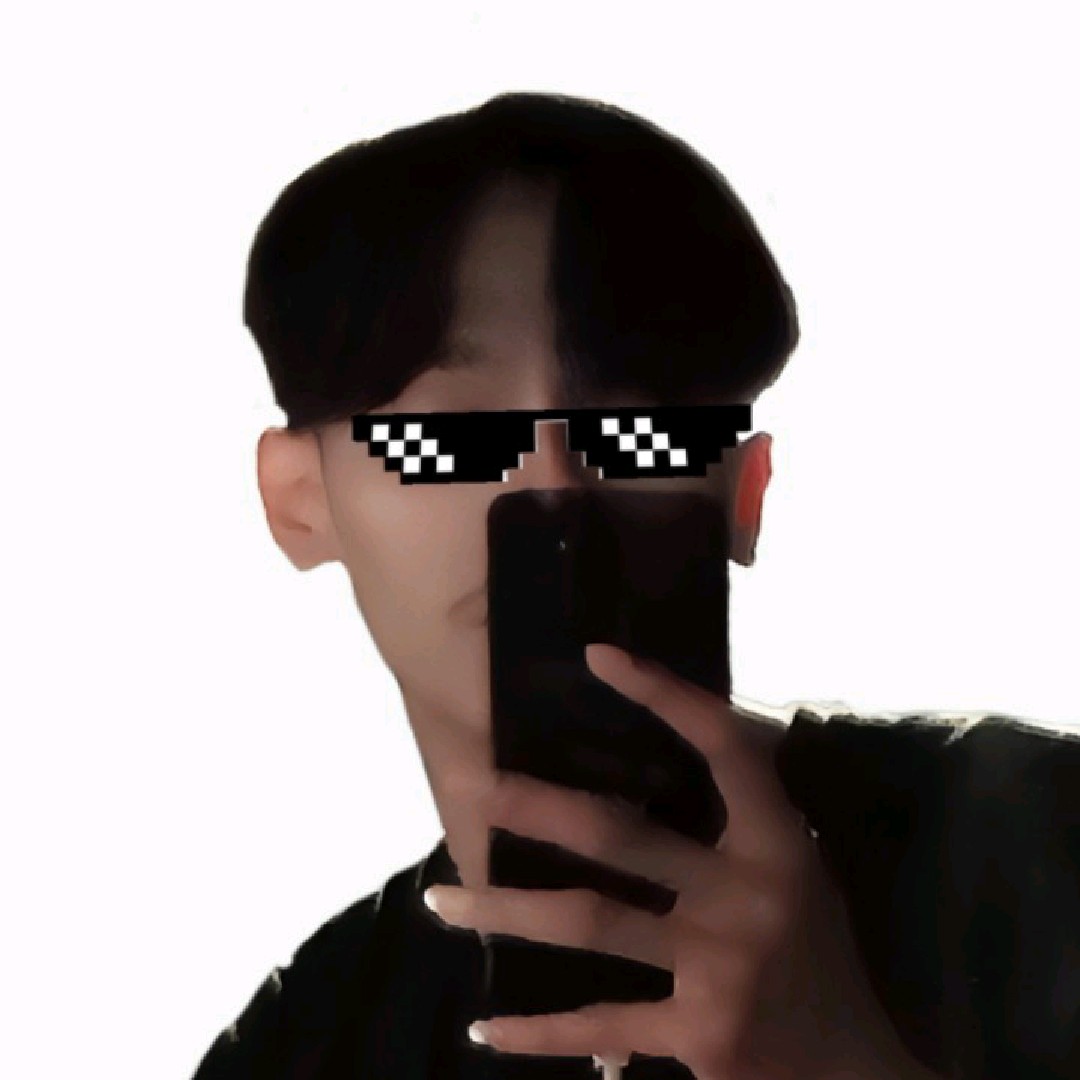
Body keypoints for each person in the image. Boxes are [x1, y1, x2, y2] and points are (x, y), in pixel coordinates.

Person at [190, 92, 1080, 1079]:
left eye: (637, 428)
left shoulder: (1047, 840)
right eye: (450, 435)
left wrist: (837, 1058)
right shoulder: (305, 1046)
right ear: (300, 500)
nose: (554, 487)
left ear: (742, 490)